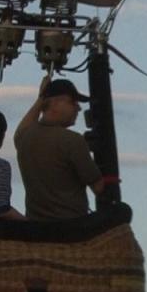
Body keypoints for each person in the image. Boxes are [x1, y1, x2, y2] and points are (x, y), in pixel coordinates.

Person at [14, 74, 105, 221]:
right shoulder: (72, 140)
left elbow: (23, 127)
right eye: (72, 102)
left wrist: (41, 98)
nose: (78, 108)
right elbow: (99, 188)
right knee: (122, 211)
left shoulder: (24, 137)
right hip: (71, 226)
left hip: (35, 226)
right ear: (55, 103)